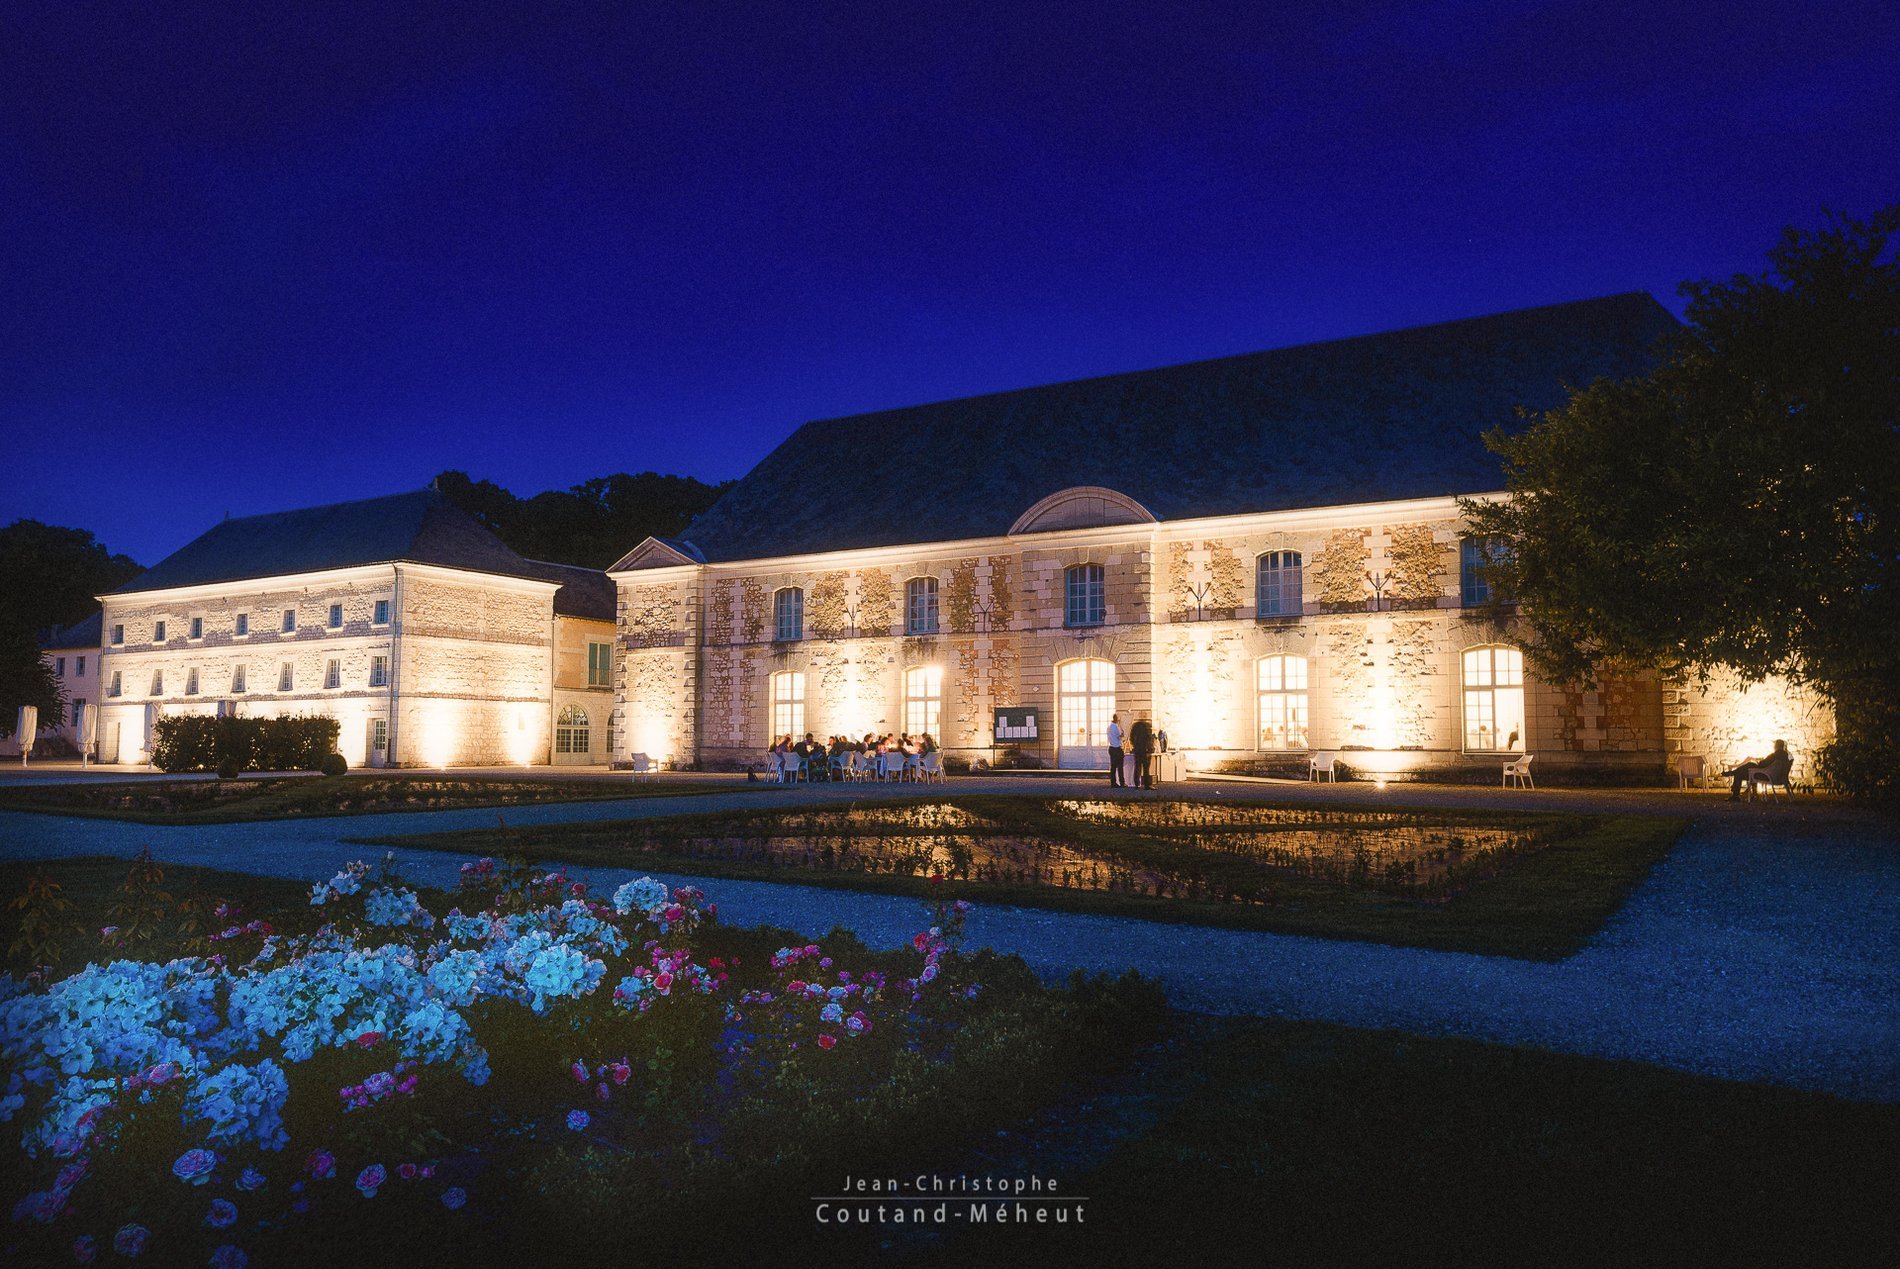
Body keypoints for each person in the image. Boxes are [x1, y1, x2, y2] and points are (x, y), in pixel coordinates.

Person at [1725, 739, 1792, 800]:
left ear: (1776, 746)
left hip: (1766, 776)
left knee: (1746, 768)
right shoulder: (1785, 757)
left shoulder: (1774, 755)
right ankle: (1734, 773)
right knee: (1748, 767)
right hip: (1776, 776)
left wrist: (1760, 761)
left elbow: (1762, 764)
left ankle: (1735, 793)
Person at [1130, 714, 1155, 789]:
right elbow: (1149, 739)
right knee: (1146, 768)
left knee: (1137, 767)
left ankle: (1136, 784)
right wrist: (1150, 748)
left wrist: (1135, 745)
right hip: (1144, 750)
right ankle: (1146, 785)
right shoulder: (1147, 727)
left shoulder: (1135, 726)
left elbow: (1131, 738)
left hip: (1137, 750)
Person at [1106, 713, 1126, 788]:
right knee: (1120, 767)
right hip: (1117, 748)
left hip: (1111, 748)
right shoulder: (1116, 727)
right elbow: (1120, 736)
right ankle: (1122, 783)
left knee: (1113, 767)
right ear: (1116, 719)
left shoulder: (1109, 727)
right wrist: (1123, 732)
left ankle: (1113, 783)